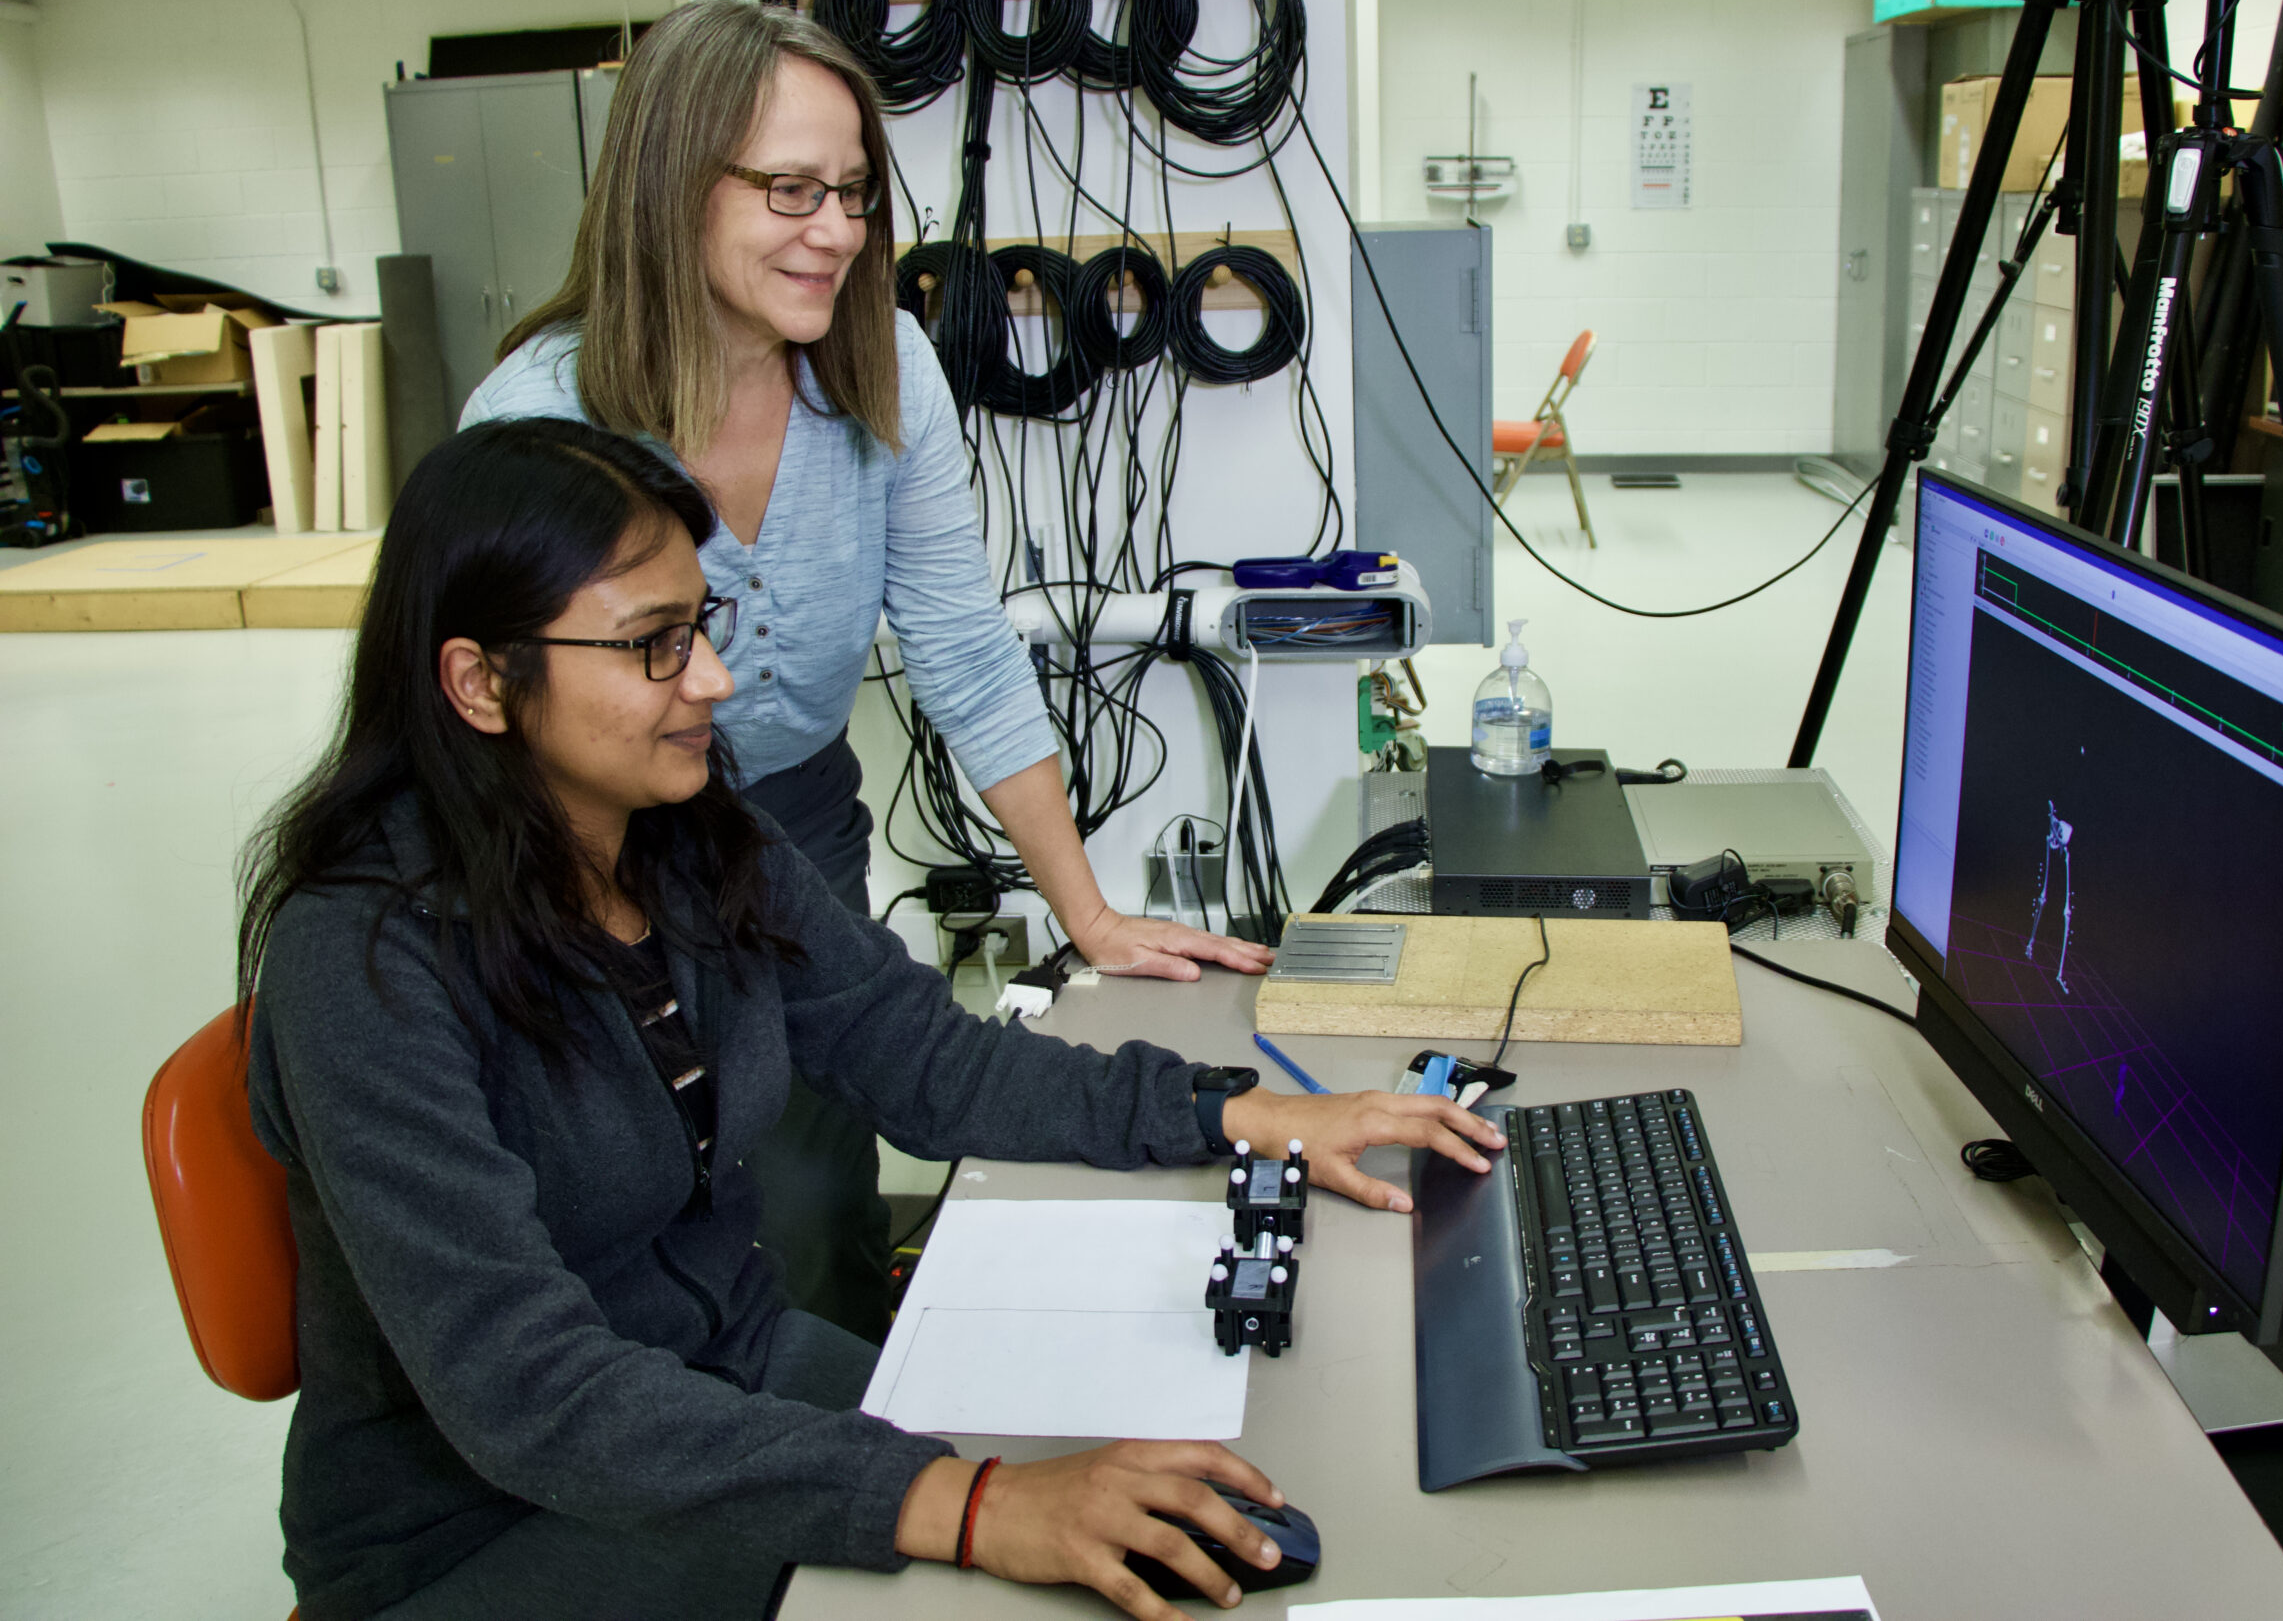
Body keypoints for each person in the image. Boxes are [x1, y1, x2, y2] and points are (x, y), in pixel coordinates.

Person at [238, 419, 1504, 1621]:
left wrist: (1232, 1109)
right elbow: (528, 1392)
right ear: (478, 681)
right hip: (488, 1525)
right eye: (656, 644)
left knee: (1161, 1491)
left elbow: (925, 1060)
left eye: (706, 625)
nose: (717, 681)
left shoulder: (691, 844)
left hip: (730, 1385)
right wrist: (964, 1501)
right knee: (1010, 1550)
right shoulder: (361, 964)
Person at [460, 0, 1267, 1340]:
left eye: (851, 192)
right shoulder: (537, 416)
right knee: (617, 1205)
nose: (834, 229)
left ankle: (820, 1494)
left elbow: (964, 649)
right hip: (564, 862)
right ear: (671, 185)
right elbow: (465, 721)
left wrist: (1091, 911)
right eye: (788, 188)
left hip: (789, 835)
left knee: (810, 1193)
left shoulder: (878, 371)